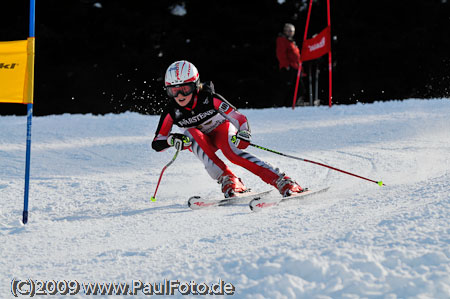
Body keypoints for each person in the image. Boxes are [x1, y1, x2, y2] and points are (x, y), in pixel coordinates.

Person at [152, 60, 304, 198]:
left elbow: (239, 118)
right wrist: (173, 140)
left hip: (221, 131)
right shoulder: (171, 111)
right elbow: (157, 142)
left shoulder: (210, 98)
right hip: (202, 141)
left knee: (232, 153)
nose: (179, 95)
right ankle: (229, 179)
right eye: (173, 90)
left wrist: (244, 133)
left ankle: (282, 181)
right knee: (189, 133)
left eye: (185, 89)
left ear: (195, 86)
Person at [276, 23, 305, 107]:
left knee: (298, 88)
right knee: (290, 87)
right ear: (285, 31)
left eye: (292, 31)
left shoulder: (291, 41)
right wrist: (286, 66)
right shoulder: (282, 40)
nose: (290, 33)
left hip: (295, 67)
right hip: (289, 68)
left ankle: (290, 104)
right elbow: (281, 54)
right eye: (289, 31)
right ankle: (285, 104)